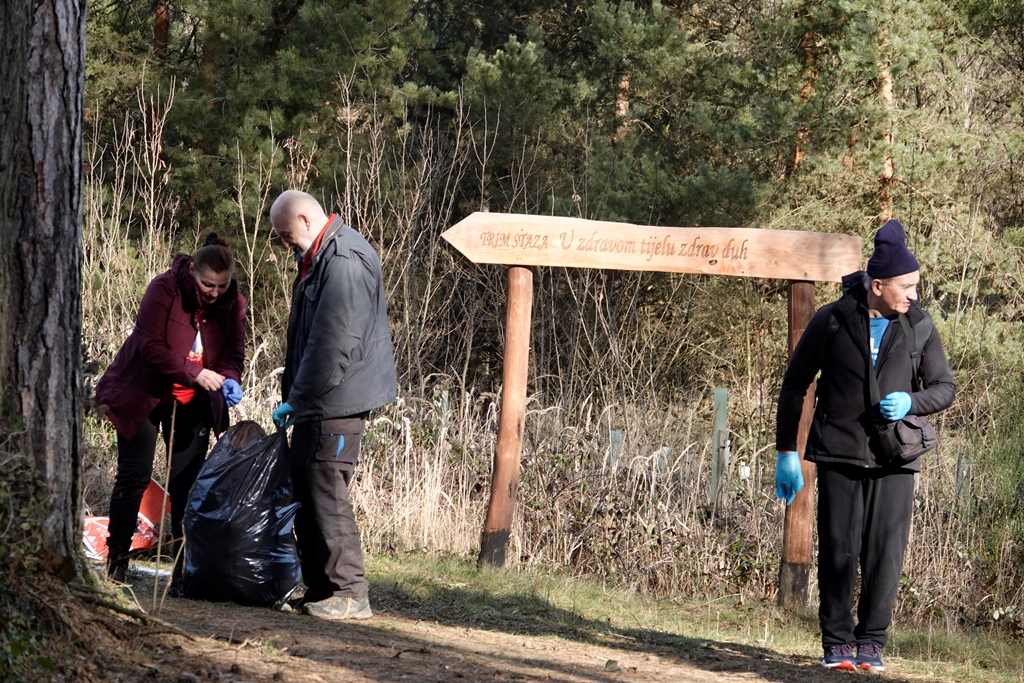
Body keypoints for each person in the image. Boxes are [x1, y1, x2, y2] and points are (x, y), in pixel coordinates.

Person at [774, 219, 955, 672]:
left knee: (885, 553)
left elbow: (944, 388)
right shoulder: (832, 320)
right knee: (838, 549)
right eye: (906, 286)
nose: (914, 294)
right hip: (837, 453)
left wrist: (910, 401)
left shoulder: (919, 326)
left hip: (897, 457)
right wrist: (785, 452)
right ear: (878, 285)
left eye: (916, 285)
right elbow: (795, 385)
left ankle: (871, 643)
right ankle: (836, 642)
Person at [269, 190, 397, 620]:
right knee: (305, 488)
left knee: (327, 491)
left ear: (305, 220)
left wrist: (299, 397)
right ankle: (323, 588)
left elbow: (333, 343)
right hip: (314, 401)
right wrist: (298, 398)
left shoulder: (343, 261)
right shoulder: (320, 257)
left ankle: (350, 593)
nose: (284, 245)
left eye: (286, 235)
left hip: (336, 401)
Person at [96, 234, 247, 588]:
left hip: (191, 401)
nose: (214, 292)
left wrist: (229, 378)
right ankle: (117, 559)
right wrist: (196, 372)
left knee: (188, 484)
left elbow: (232, 353)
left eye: (222, 285)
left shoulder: (233, 303)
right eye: (208, 284)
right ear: (192, 271)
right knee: (133, 477)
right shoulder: (164, 289)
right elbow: (149, 347)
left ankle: (183, 569)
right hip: (143, 394)